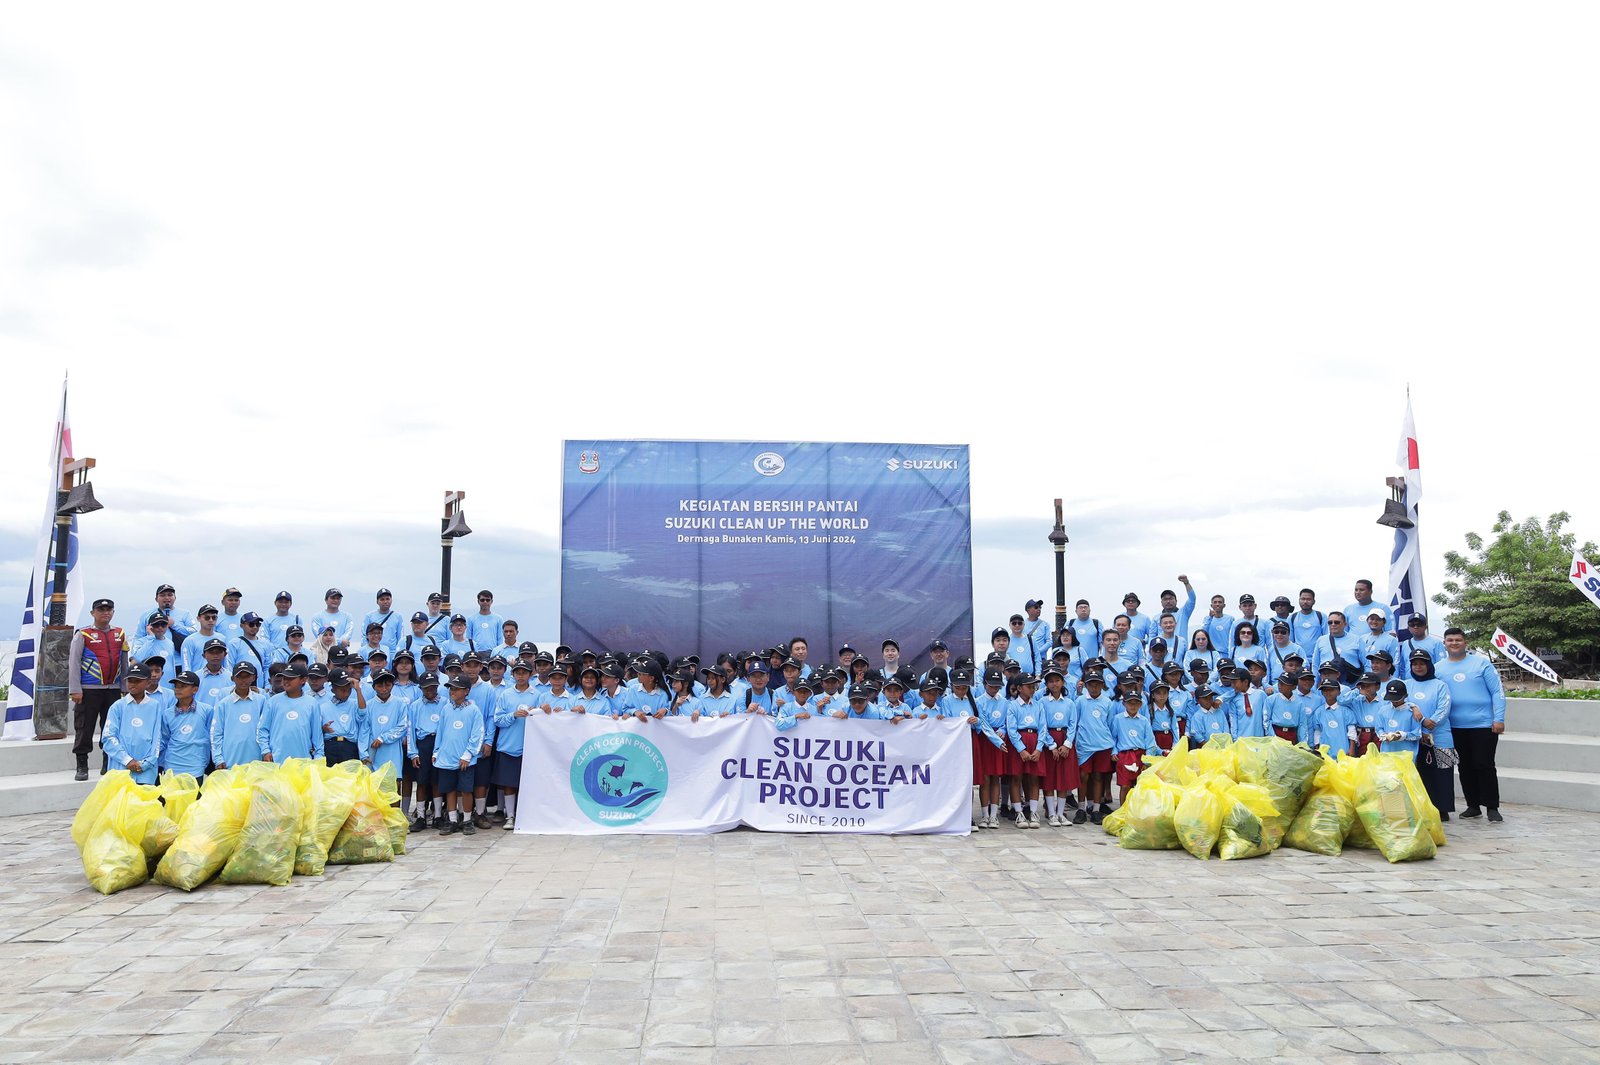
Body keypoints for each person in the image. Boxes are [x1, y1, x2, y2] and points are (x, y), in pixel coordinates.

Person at [1439, 627, 1506, 822]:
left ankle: (1492, 807)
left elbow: (1497, 692)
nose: (1454, 643)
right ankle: (1473, 805)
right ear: (1444, 643)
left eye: (1458, 640)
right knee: (1465, 766)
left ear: (1465, 642)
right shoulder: (1439, 667)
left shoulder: (1481, 664)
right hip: (1454, 726)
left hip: (1483, 724)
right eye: (1450, 640)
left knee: (1484, 764)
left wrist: (1499, 718)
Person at [68, 597, 131, 780]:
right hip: (88, 689)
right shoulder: (83, 634)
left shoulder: (120, 633)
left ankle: (107, 763)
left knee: (110, 728)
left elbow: (124, 662)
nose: (105, 612)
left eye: (109, 609)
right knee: (84, 727)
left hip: (113, 690)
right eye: (101, 609)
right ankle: (82, 765)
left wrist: (125, 686)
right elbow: (74, 662)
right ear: (92, 613)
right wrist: (75, 689)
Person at [1406, 650, 1456, 820]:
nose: (1418, 667)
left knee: (1443, 772)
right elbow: (1404, 705)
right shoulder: (1406, 684)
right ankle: (1423, 807)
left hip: (1441, 736)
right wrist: (1417, 715)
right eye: (1415, 663)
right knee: (1421, 772)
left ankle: (1443, 808)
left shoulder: (1440, 685)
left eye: (1422, 663)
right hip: (1416, 737)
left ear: (1429, 665)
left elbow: (1444, 707)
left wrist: (1430, 722)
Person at [434, 674, 487, 834]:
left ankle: (467, 820)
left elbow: (477, 735)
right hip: (446, 757)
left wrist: (468, 755)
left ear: (466, 691)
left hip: (465, 760)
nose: (452, 691)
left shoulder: (473, 710)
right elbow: (440, 732)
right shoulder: (446, 709)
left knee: (465, 790)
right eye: (451, 688)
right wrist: (436, 751)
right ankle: (452, 820)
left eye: (456, 689)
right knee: (449, 789)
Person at [101, 663, 162, 785]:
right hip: (121, 769)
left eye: (137, 681)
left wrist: (147, 763)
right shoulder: (117, 706)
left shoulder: (155, 706)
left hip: (146, 771)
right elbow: (108, 737)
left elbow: (158, 738)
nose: (132, 684)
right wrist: (127, 760)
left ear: (148, 683)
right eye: (130, 680)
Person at [1003, 673, 1051, 828]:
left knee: (1034, 778)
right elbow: (1011, 729)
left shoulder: (1038, 705)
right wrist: (1021, 749)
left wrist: (1038, 748)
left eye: (1034, 685)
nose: (1032, 688)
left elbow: (1043, 727)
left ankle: (1033, 811)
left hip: (1035, 740)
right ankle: (1018, 812)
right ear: (1018, 688)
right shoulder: (1013, 706)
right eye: (1028, 685)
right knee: (1016, 777)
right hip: (1019, 742)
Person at [257, 664, 323, 762]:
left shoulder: (312, 703)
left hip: (303, 761)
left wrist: (319, 757)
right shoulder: (273, 701)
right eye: (284, 678)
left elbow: (317, 735)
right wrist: (266, 751)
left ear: (303, 680)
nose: (286, 681)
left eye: (291, 678)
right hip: (277, 760)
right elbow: (262, 729)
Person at [1072, 671, 1115, 824]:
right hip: (1084, 745)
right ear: (1086, 685)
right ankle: (1081, 808)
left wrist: (1113, 748)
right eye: (1091, 683)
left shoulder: (1107, 702)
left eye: (1097, 683)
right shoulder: (1080, 701)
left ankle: (1096, 809)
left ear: (1102, 685)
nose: (1094, 686)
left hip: (1103, 745)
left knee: (1098, 777)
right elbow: (1075, 723)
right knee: (1083, 776)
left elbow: (1111, 725)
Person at [1038, 668, 1077, 826]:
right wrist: (1051, 745)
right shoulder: (1042, 702)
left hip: (1065, 739)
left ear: (1063, 682)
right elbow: (1042, 724)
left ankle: (1061, 813)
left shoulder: (1069, 703)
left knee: (1063, 778)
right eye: (1051, 681)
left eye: (1057, 680)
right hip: (1050, 741)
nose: (1054, 684)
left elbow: (1073, 724)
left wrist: (1067, 744)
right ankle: (1051, 813)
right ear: (1046, 684)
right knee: (1049, 779)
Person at [159, 671, 213, 782]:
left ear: (195, 689)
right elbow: (164, 740)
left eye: (183, 686)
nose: (178, 689)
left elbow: (212, 737)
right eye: (176, 686)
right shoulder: (167, 713)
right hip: (172, 766)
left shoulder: (207, 710)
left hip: (196, 766)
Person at [210, 661, 266, 769]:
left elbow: (265, 729)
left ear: (253, 678)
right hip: (230, 759)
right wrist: (218, 758)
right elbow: (216, 732)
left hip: (256, 759)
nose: (243, 680)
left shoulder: (261, 700)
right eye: (239, 676)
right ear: (232, 678)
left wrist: (265, 751)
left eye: (247, 676)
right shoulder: (224, 704)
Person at [1112, 692, 1159, 805]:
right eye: (1130, 703)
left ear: (1140, 705)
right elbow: (1113, 737)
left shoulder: (1144, 721)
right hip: (1124, 754)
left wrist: (1147, 760)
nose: (1133, 706)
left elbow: (1150, 742)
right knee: (1125, 785)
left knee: (1139, 785)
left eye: (1136, 703)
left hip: (1140, 754)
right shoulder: (1118, 719)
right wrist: (1113, 751)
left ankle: (1136, 811)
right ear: (1124, 704)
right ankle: (1123, 811)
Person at [320, 668, 367, 766]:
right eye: (342, 690)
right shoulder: (323, 707)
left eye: (348, 689)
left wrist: (358, 690)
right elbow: (317, 730)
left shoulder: (355, 703)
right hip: (330, 745)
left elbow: (362, 713)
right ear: (333, 689)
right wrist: (323, 728)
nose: (346, 693)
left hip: (349, 746)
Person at [137, 584, 196, 651]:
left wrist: (175, 625)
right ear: (156, 599)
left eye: (170, 595)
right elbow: (138, 637)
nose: (167, 598)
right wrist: (134, 656)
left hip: (179, 658)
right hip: (155, 657)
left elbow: (194, 632)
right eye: (162, 595)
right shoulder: (146, 615)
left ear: (175, 597)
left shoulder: (185, 614)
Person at [1311, 612, 1364, 682]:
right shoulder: (1321, 640)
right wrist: (1314, 685)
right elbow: (1315, 665)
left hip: (1351, 687)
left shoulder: (1357, 640)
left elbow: (1366, 664)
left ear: (1345, 624)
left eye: (1336, 622)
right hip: (1326, 687)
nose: (1333, 625)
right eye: (1330, 622)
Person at [1375, 680, 1423, 756]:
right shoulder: (1383, 710)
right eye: (1391, 698)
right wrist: (1384, 736)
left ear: (1405, 696)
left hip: (1406, 753)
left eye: (1397, 699)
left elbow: (1417, 734)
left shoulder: (1412, 712)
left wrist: (1401, 735)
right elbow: (1378, 729)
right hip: (1387, 751)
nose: (1394, 701)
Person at [181, 605, 231, 674]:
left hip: (220, 679)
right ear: (198, 618)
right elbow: (186, 665)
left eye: (214, 618)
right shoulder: (190, 640)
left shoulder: (222, 638)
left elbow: (227, 663)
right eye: (207, 618)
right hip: (198, 681)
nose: (211, 620)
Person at [228, 613, 273, 683]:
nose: (255, 627)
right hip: (239, 684)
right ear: (242, 625)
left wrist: (267, 685)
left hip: (259, 685)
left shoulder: (266, 644)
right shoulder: (234, 643)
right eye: (251, 624)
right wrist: (232, 684)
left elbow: (267, 668)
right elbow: (230, 666)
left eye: (257, 624)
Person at [1398, 614, 1446, 678]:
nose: (1415, 627)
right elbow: (1402, 666)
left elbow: (1441, 665)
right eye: (1412, 624)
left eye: (1419, 624)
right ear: (1408, 628)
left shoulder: (1436, 643)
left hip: (1429, 682)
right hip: (1409, 684)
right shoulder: (1405, 644)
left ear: (1425, 627)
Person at [1020, 599, 1054, 673]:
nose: (1039, 609)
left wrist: (1037, 651)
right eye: (1036, 607)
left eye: (1040, 607)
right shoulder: (1022, 625)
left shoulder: (1045, 624)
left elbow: (1049, 642)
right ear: (1028, 610)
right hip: (1028, 659)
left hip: (1042, 660)